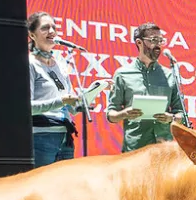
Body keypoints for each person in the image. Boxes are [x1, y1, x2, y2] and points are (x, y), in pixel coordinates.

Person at [28, 12, 101, 165]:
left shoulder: (61, 65)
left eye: (54, 27)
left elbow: (70, 108)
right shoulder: (29, 63)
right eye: (45, 28)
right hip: (41, 138)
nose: (52, 31)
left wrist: (82, 103)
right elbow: (27, 108)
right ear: (32, 34)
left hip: (65, 139)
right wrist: (61, 101)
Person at [105, 22, 187, 151]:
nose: (158, 45)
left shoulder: (169, 75)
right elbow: (111, 114)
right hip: (135, 148)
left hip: (163, 148)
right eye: (154, 40)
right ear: (139, 42)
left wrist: (170, 118)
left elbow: (182, 114)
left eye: (161, 41)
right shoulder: (122, 74)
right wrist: (124, 114)